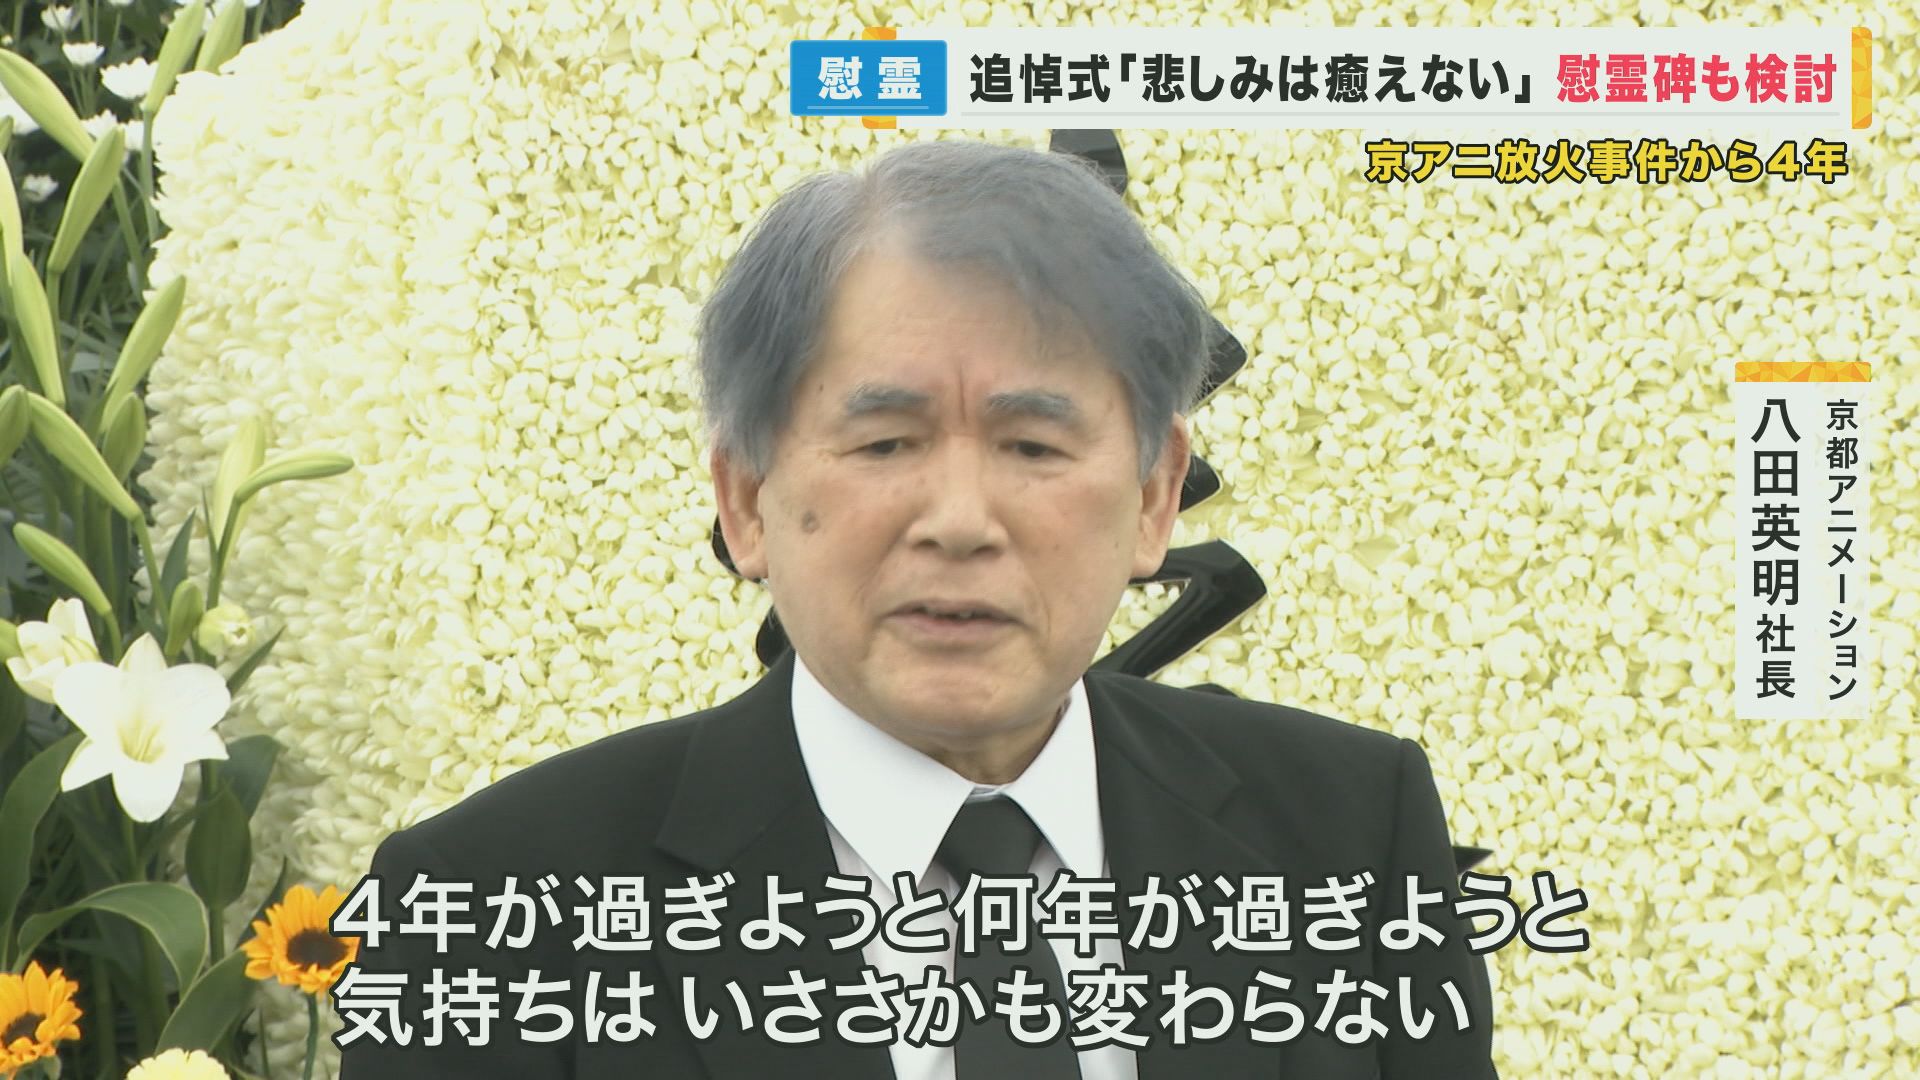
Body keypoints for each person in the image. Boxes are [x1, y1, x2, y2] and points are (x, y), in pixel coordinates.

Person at [336, 138, 1498, 1079]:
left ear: (1154, 497)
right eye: (885, 442)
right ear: (744, 498)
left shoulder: (1348, 834)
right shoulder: (492, 910)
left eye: (1033, 445)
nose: (960, 520)